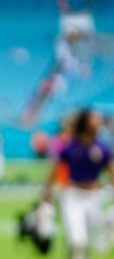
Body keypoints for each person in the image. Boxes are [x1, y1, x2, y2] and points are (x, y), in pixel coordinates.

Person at [42, 108, 114, 259]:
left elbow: (111, 171)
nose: (98, 122)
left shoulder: (101, 147)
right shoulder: (71, 146)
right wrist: (46, 194)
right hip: (73, 196)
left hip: (94, 196)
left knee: (85, 241)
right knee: (78, 240)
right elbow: (54, 171)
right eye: (94, 118)